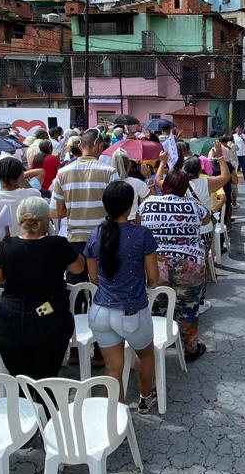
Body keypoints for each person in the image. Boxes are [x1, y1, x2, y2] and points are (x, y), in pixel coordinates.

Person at [0, 196, 84, 381]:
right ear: (45, 221)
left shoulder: (7, 245)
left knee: (21, 380)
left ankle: (27, 405)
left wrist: (3, 244)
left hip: (10, 321)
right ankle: (46, 407)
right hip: (49, 318)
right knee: (46, 378)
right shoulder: (58, 244)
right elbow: (78, 267)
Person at [84, 182, 160, 413]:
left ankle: (117, 419)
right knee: (146, 356)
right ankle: (145, 400)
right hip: (131, 311)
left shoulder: (95, 235)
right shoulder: (141, 234)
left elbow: (94, 278)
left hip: (100, 311)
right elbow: (154, 277)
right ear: (130, 206)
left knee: (113, 368)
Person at [139, 171, 211, 360]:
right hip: (190, 264)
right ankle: (190, 348)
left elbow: (139, 224)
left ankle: (153, 344)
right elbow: (207, 219)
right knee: (188, 308)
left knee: (155, 305)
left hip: (156, 263)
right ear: (184, 187)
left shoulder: (148, 203)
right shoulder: (193, 205)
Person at [51, 130, 118, 273]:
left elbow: (60, 211)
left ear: (80, 145)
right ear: (100, 146)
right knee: (102, 282)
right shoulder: (110, 172)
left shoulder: (62, 173)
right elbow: (116, 209)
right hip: (102, 236)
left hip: (75, 238)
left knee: (77, 286)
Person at [0, 157, 40, 262]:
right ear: (21, 175)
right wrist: (22, 179)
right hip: (29, 254)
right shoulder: (33, 195)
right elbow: (32, 191)